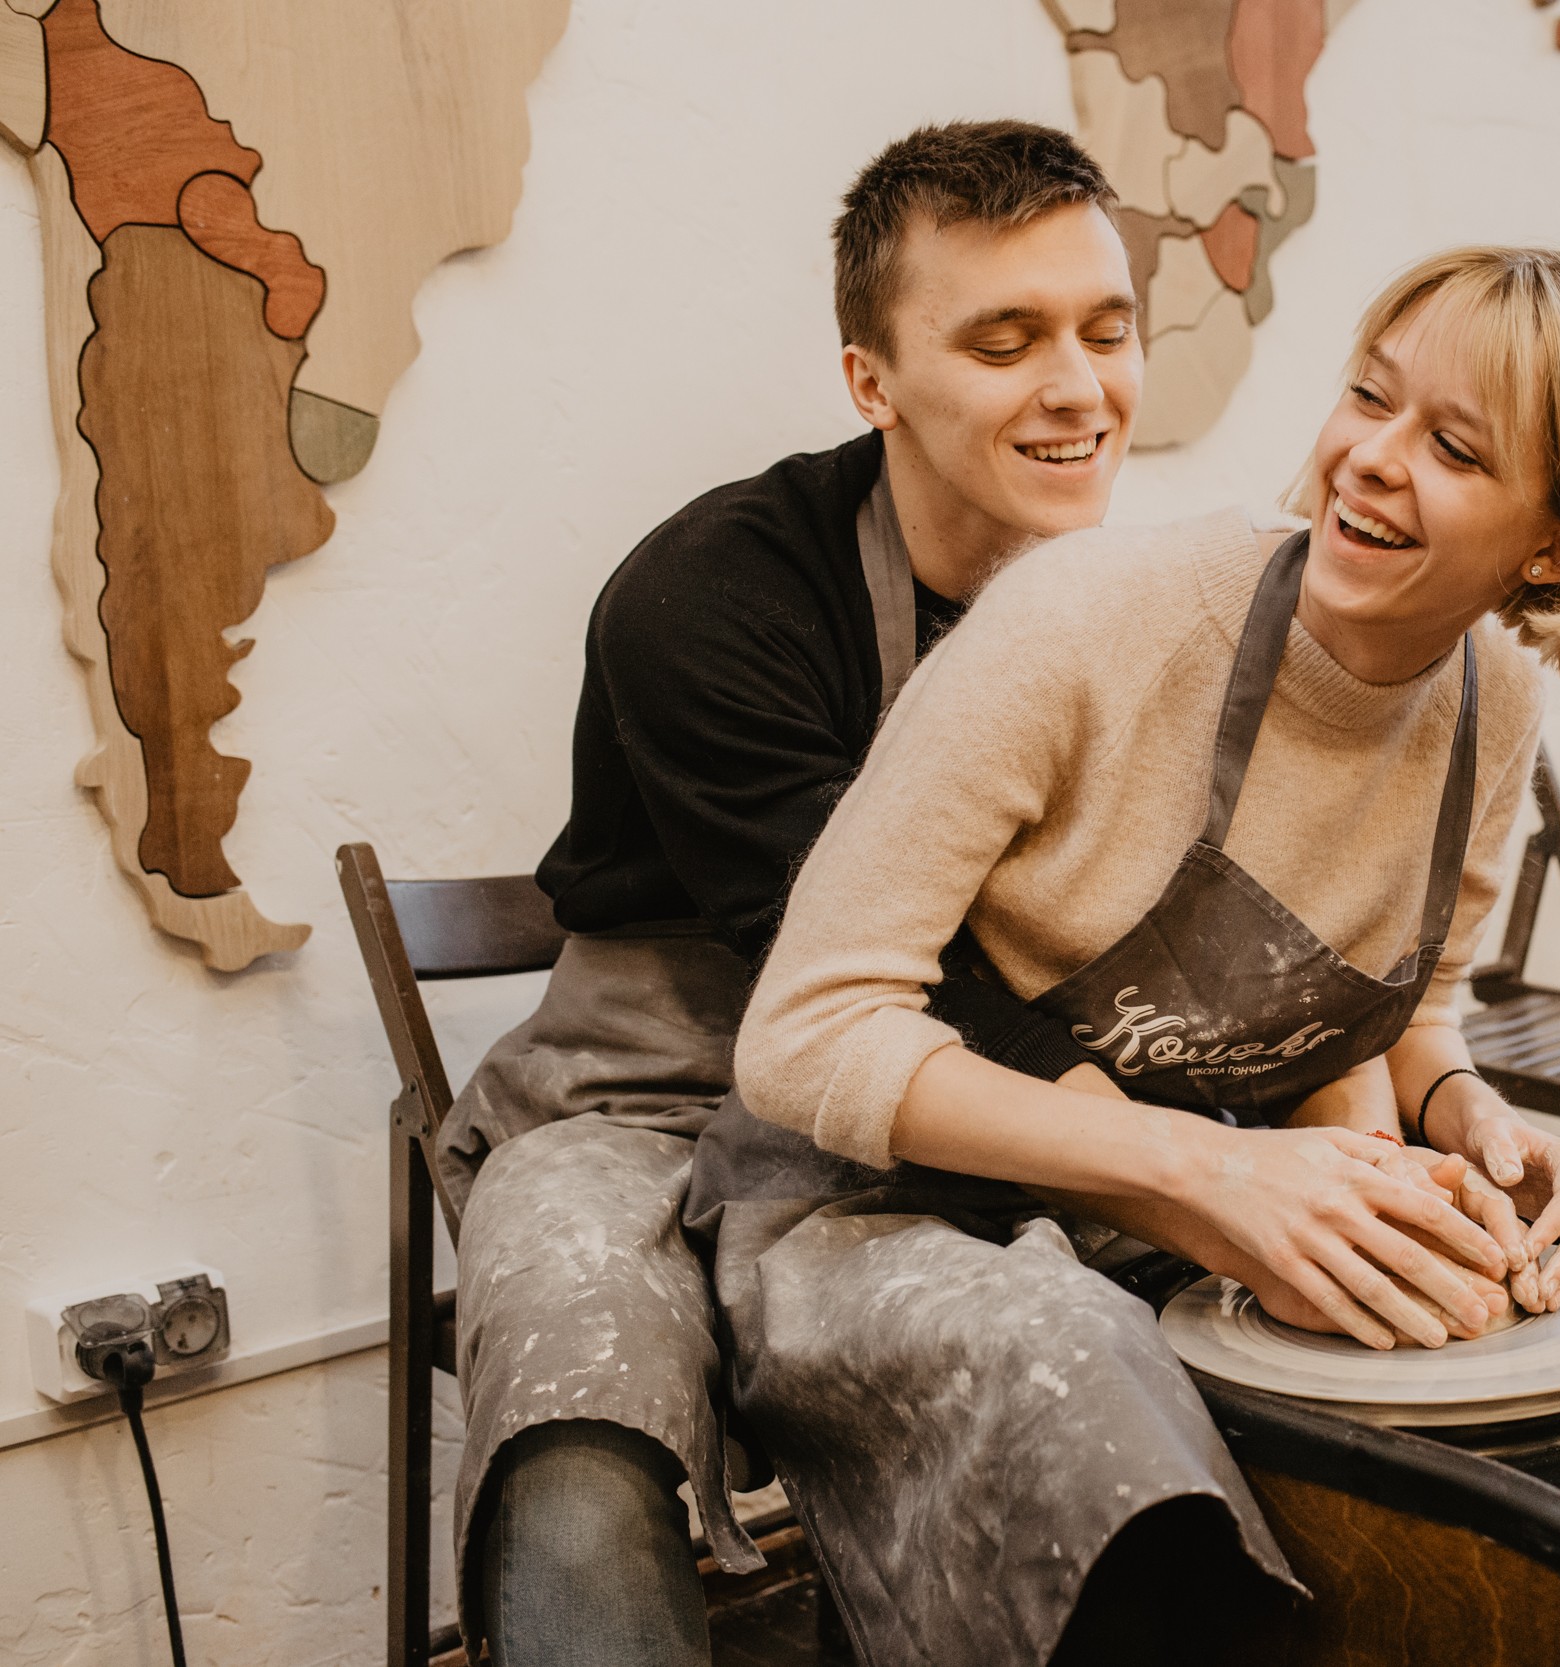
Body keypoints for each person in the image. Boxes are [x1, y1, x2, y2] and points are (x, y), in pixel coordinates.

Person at [714, 245, 1560, 1667]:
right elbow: (806, 1036)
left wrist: (1472, 1120)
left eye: (1455, 448)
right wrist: (1211, 1176)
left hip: (1185, 1178)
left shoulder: (1494, 698)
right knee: (1118, 1452)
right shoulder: (1087, 621)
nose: (1372, 458)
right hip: (875, 1197)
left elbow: (1406, 1008)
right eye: (1372, 397)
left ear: (1554, 545)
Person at [434, 121, 1149, 1667]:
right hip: (644, 1107)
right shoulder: (712, 592)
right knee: (577, 1447)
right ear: (870, 381)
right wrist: (1182, 1165)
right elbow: (847, 969)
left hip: (926, 1115)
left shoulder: (1120, 616)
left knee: (1077, 1367)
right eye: (1006, 341)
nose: (1079, 388)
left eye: (1107, 330)